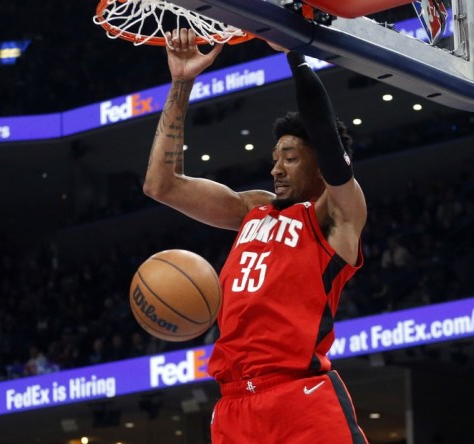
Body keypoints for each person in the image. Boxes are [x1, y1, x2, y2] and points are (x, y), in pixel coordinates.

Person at [143, 29, 368, 443]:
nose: (276, 169)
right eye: (274, 159)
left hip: (300, 396)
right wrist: (181, 83)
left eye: (291, 158)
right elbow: (161, 185)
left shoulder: (336, 217)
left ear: (320, 166)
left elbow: (327, 139)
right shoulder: (252, 210)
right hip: (233, 406)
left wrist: (297, 56)